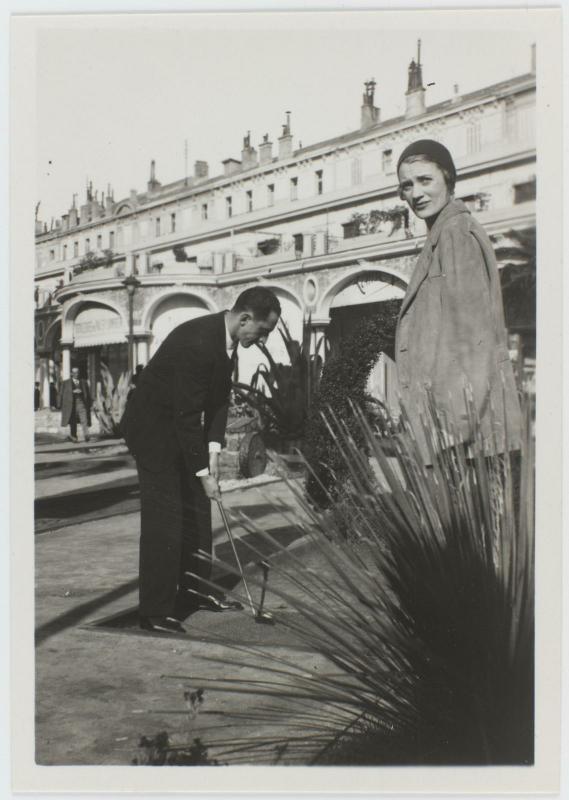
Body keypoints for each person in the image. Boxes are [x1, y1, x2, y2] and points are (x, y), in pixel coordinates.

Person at [120, 287, 281, 635]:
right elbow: (187, 415)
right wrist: (204, 473)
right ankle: (154, 611)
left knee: (197, 511)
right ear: (244, 318)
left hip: (179, 427)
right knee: (165, 520)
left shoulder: (227, 343)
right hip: (153, 433)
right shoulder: (197, 343)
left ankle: (196, 591)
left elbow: (219, 402)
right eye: (263, 331)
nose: (263, 338)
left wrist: (213, 454)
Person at [395, 139, 522, 461]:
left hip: (465, 438)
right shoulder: (443, 234)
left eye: (425, 180)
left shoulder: (455, 233)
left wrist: (452, 431)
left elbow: (473, 339)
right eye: (407, 185)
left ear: (448, 178)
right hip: (460, 431)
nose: (416, 193)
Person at [60, 367, 92, 443]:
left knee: (84, 419)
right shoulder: (66, 383)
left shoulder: (83, 382)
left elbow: (88, 394)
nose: (76, 374)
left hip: (81, 403)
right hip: (71, 405)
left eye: (77, 372)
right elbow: (61, 394)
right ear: (71, 373)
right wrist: (73, 392)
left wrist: (89, 403)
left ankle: (86, 435)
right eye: (74, 372)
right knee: (73, 421)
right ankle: (74, 437)